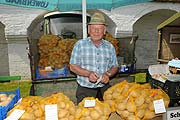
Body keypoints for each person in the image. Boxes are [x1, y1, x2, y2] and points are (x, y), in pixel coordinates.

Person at [69, 12, 119, 104]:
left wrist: (107, 74)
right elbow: (73, 66)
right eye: (93, 28)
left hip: (105, 90)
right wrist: (88, 74)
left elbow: (115, 66)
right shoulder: (80, 45)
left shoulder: (110, 46)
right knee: (86, 115)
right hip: (85, 89)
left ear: (104, 31)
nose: (96, 31)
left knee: (107, 114)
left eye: (100, 29)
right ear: (89, 30)